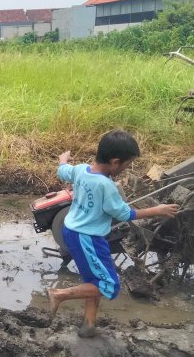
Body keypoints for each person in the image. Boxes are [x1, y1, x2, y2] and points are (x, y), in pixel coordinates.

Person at [47, 130, 178, 338]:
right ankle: (58, 294)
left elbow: (63, 171)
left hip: (72, 231)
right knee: (109, 286)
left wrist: (63, 160)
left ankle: (88, 325)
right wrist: (158, 210)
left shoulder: (81, 170)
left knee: (93, 280)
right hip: (87, 238)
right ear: (115, 162)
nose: (126, 170)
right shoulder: (106, 186)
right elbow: (124, 213)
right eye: (126, 165)